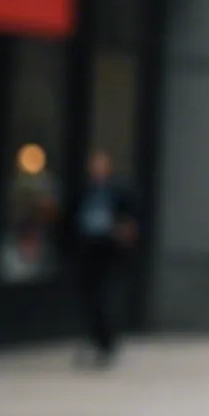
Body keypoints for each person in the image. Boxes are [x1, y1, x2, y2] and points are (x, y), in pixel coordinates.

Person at [66, 150, 140, 366]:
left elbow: (130, 221)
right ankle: (95, 339)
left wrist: (123, 233)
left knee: (102, 297)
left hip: (107, 250)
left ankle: (105, 341)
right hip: (87, 249)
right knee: (88, 297)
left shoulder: (118, 191)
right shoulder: (84, 191)